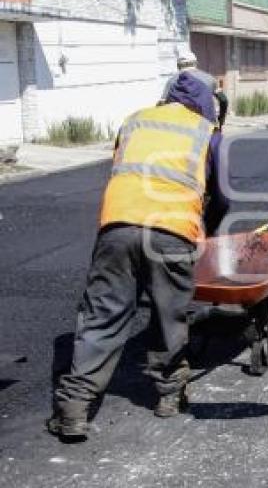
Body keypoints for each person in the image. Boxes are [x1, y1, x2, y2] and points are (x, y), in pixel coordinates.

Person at [48, 72, 230, 441]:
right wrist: (204, 230)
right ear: (207, 103)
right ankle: (168, 396)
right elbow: (223, 195)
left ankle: (74, 409)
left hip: (117, 226)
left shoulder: (134, 121)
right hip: (172, 232)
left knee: (102, 316)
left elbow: (121, 169)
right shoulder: (208, 133)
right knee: (169, 315)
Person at [161, 49, 229, 127]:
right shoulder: (209, 79)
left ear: (178, 65)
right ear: (196, 63)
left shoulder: (172, 81)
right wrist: (220, 120)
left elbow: (162, 105)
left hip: (181, 128)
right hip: (206, 126)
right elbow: (223, 100)